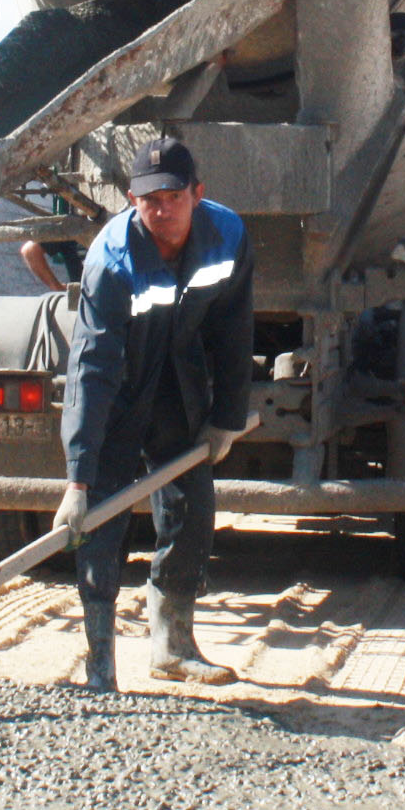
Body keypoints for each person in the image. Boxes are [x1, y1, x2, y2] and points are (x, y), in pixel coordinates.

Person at [53, 137, 255, 693]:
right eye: (148, 199)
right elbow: (90, 370)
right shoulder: (111, 258)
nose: (160, 210)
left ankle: (173, 646)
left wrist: (226, 418)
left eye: (171, 196)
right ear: (129, 198)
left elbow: (235, 333)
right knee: (98, 519)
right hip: (119, 387)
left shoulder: (228, 236)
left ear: (197, 194)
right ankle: (101, 664)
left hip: (180, 383)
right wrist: (78, 478)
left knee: (192, 509)